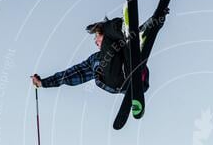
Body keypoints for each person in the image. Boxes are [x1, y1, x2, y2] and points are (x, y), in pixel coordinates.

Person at [31, 8, 168, 94]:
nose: (96, 42)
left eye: (96, 37)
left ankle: (137, 35)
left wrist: (156, 19)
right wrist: (44, 83)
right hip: (115, 79)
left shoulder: (114, 37)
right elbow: (72, 74)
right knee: (124, 39)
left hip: (133, 70)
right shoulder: (95, 59)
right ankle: (132, 34)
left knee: (128, 39)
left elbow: (131, 32)